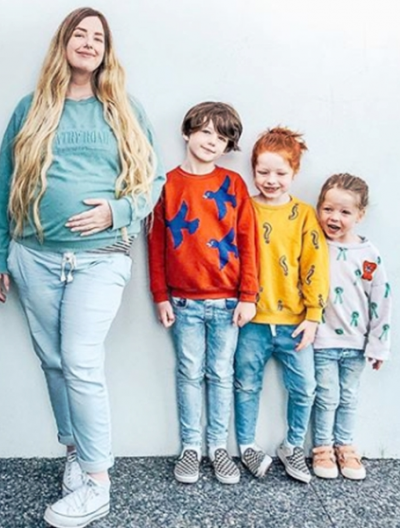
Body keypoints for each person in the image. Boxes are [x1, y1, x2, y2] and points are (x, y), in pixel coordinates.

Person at [0, 7, 164, 527]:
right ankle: (74, 451)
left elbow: (153, 182)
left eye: (98, 37)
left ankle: (97, 483)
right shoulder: (30, 109)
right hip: (33, 255)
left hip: (101, 257)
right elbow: (3, 186)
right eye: (79, 34)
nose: (88, 43)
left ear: (107, 52)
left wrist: (117, 212)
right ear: (63, 44)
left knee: (80, 361)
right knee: (54, 362)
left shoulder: (124, 110)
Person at [147, 102, 258, 485]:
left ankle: (218, 448)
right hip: (183, 303)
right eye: (206, 131)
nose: (212, 141)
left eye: (222, 137)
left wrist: (249, 295)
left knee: (222, 374)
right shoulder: (166, 185)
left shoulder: (234, 184)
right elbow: (156, 244)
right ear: (187, 132)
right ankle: (191, 448)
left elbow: (248, 241)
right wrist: (160, 294)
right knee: (189, 372)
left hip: (228, 301)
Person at [234, 127, 329, 484]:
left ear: (294, 172)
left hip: (295, 322)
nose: (270, 180)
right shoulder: (244, 208)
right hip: (251, 320)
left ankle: (292, 446)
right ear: (253, 170)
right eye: (263, 172)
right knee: (246, 384)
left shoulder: (304, 215)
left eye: (280, 172)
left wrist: (314, 315)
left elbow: (315, 265)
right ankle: (247, 445)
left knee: (305, 388)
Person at [311, 173, 391, 480]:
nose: (334, 218)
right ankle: (322, 448)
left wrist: (378, 345)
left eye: (345, 212)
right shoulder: (315, 246)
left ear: (360, 215)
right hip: (322, 340)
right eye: (328, 209)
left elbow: (381, 300)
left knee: (348, 397)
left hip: (356, 344)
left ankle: (345, 446)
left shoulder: (369, 256)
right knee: (326, 396)